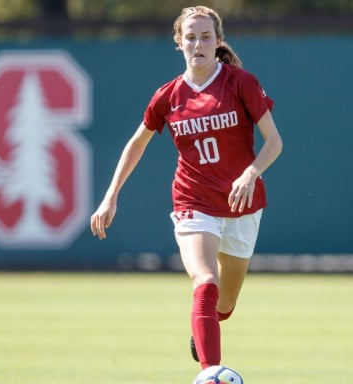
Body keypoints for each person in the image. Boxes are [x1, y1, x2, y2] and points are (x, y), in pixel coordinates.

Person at [89, 5, 283, 369]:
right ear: (178, 43)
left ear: (219, 41)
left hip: (243, 203)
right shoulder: (169, 95)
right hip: (193, 200)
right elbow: (137, 143)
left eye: (206, 36)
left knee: (223, 305)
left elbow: (274, 142)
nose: (198, 44)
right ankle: (211, 374)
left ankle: (205, 326)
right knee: (205, 281)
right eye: (190, 37)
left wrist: (250, 173)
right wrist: (110, 197)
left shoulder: (241, 83)